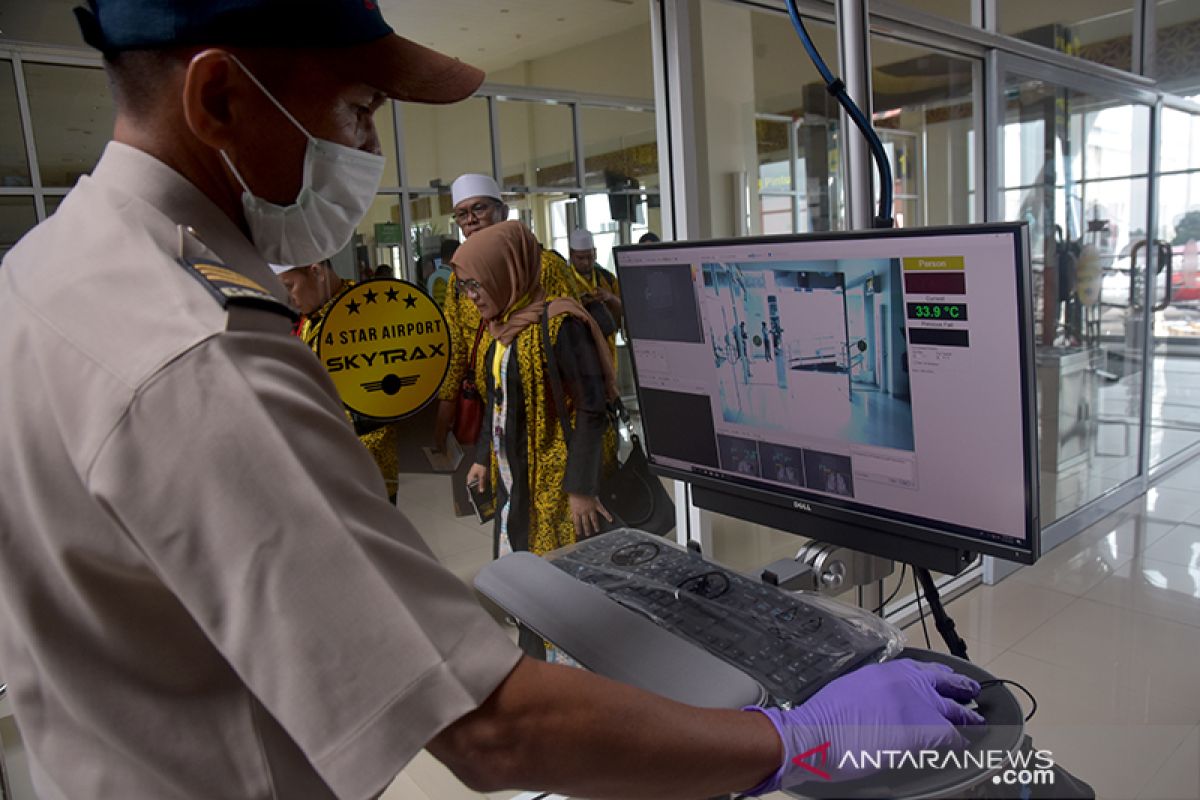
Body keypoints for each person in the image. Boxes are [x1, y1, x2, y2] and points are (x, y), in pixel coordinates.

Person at [0, 2, 986, 797]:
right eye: (356, 109)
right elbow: (492, 726)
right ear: (217, 94)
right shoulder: (203, 353)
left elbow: (587, 404)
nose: (366, 145)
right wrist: (790, 741)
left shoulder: (41, 275)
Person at [458, 221, 615, 659]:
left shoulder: (561, 325)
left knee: (562, 588)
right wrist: (483, 457)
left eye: (477, 282)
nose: (471, 295)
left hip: (557, 481)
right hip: (517, 477)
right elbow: (497, 399)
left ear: (505, 272)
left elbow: (592, 406)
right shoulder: (501, 330)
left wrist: (581, 487)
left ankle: (575, 681)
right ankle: (536, 662)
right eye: (465, 286)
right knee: (527, 585)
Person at [433, 173, 577, 453]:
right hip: (492, 409)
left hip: (545, 411)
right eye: (462, 214)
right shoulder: (457, 277)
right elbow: (457, 349)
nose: (471, 220)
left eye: (479, 208)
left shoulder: (543, 265)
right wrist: (445, 413)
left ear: (504, 211)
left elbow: (573, 337)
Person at [273, 260, 402, 501]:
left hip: (364, 461)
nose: (288, 298)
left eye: (289, 286)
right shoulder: (312, 316)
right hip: (322, 458)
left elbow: (381, 399)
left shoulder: (362, 308)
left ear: (316, 271)